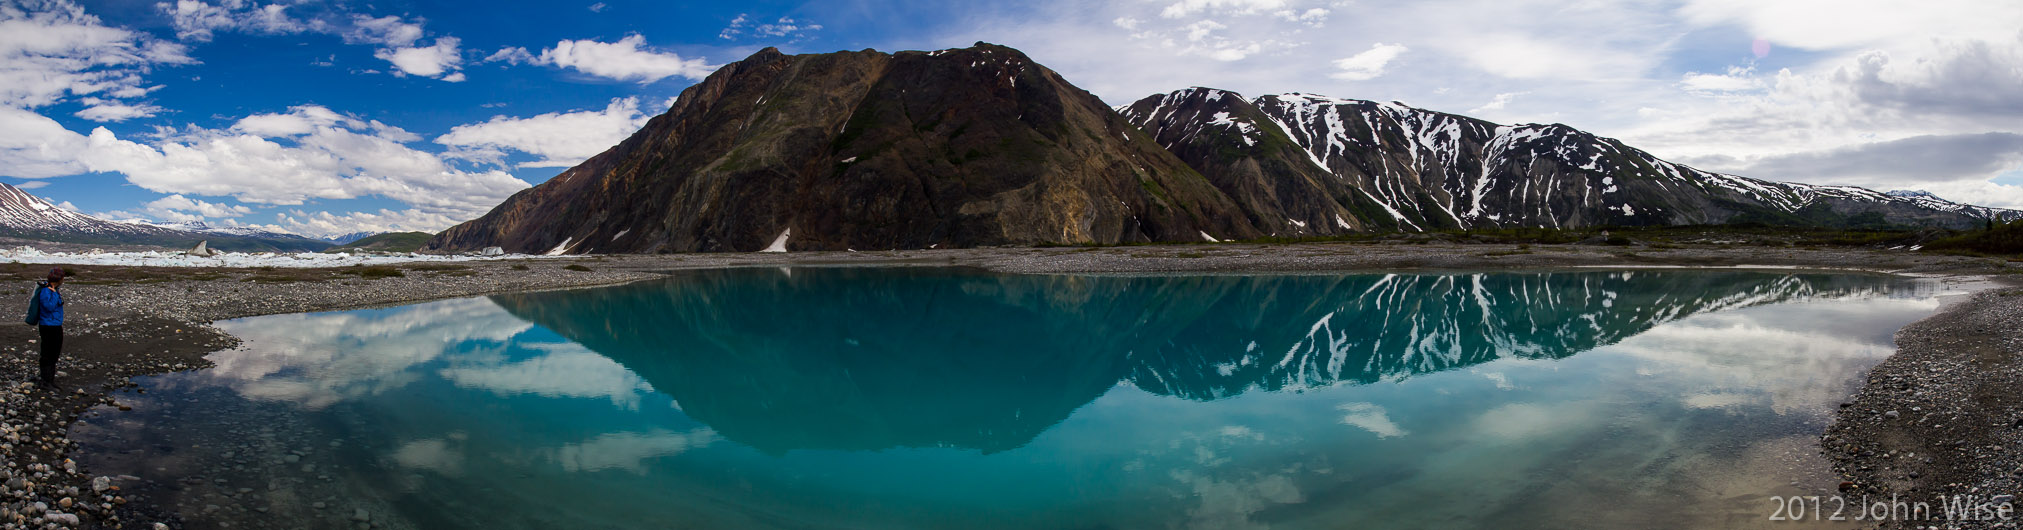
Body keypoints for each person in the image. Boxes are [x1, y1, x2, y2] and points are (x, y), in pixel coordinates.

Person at [32, 267, 63, 386]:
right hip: (48, 326)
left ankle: (50, 379)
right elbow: (48, 307)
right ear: (59, 279)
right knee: (48, 353)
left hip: (55, 324)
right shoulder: (47, 290)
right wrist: (55, 295)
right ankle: (46, 380)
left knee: (54, 353)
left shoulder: (53, 289)